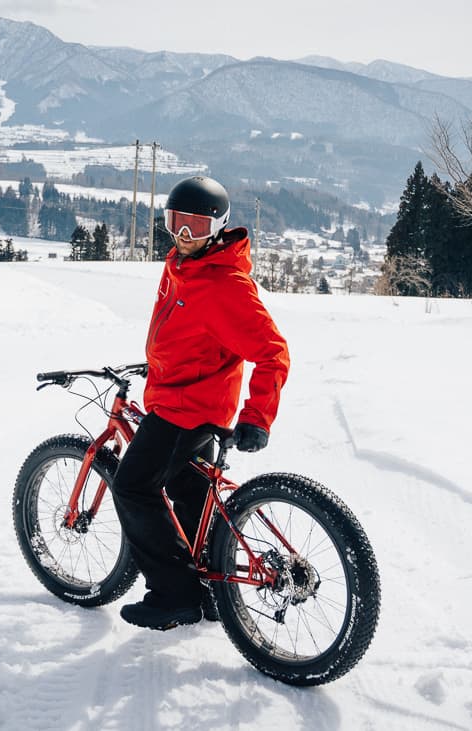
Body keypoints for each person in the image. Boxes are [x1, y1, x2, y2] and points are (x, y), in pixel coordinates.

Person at [110, 175, 290, 630]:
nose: (184, 235)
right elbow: (192, 335)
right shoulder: (181, 265)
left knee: (133, 485)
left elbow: (273, 352)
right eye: (176, 222)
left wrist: (258, 417)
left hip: (187, 411)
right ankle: (210, 590)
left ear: (219, 228)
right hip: (182, 395)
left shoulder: (225, 284)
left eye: (196, 226)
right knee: (190, 495)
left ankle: (174, 593)